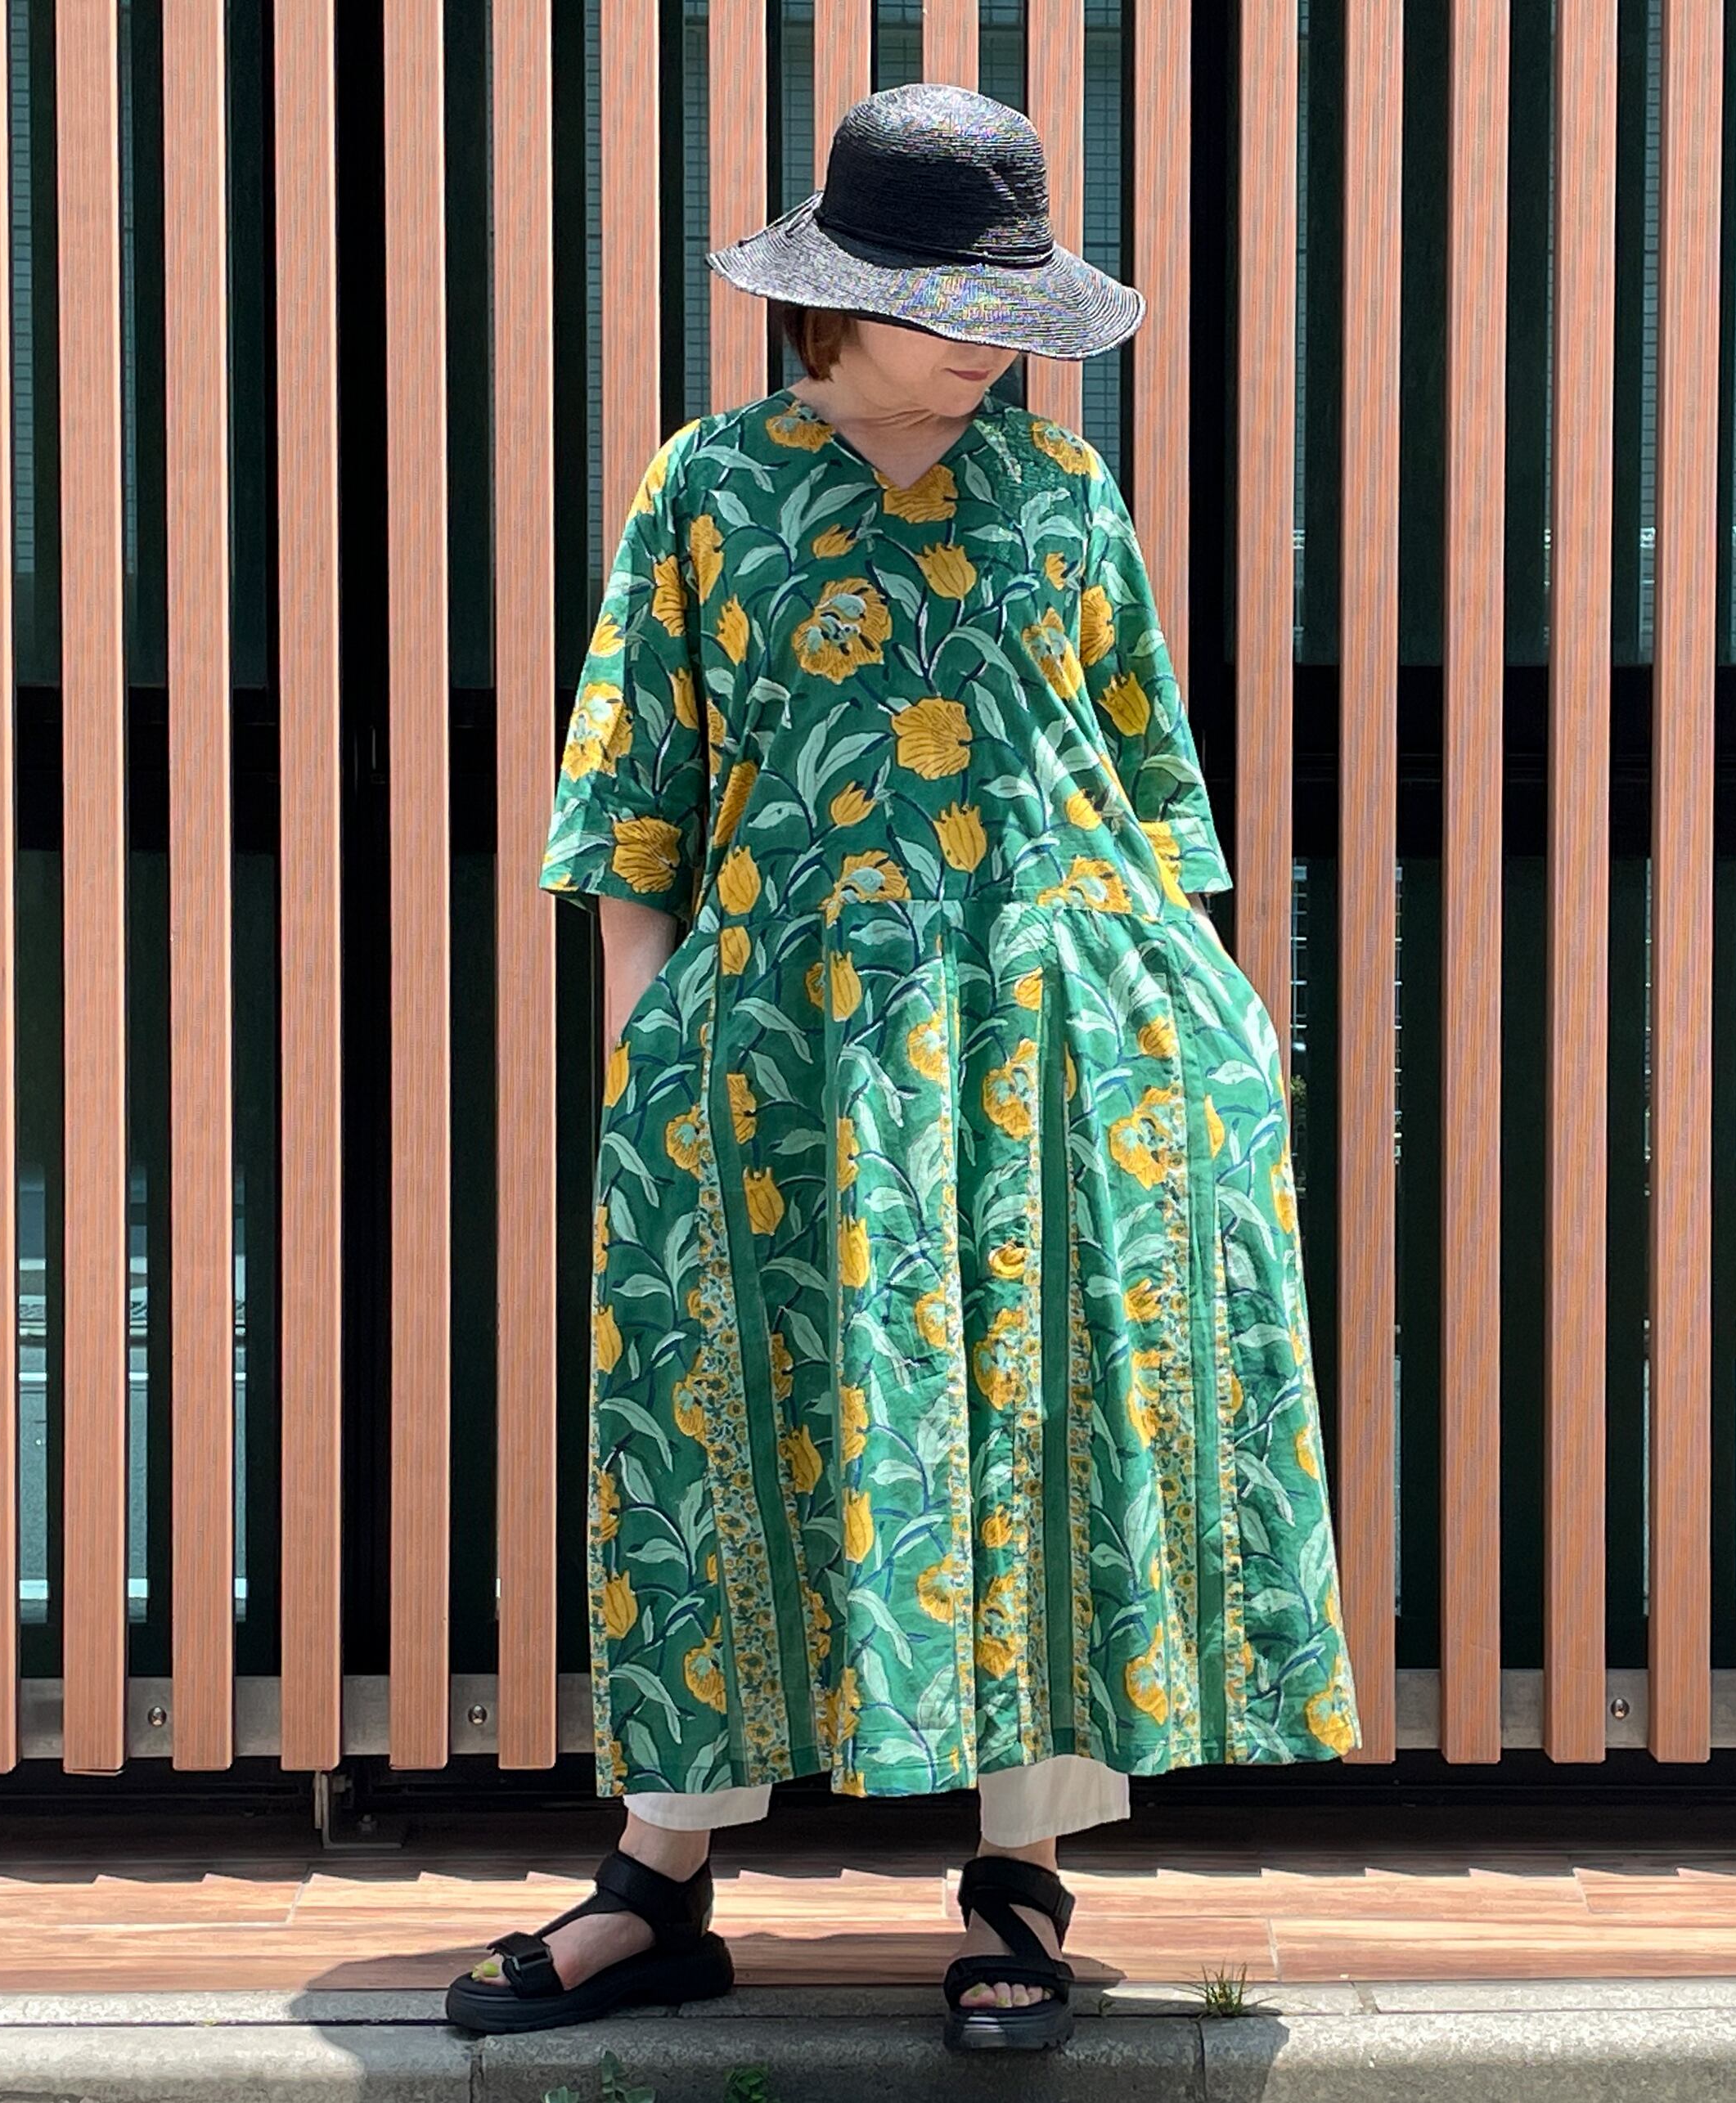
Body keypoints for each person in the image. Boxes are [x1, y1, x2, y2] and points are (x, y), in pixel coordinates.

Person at [447, 81, 1356, 2056]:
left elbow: (1145, 777)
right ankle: (654, 1880)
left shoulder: (1063, 494)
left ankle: (1022, 1872)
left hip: (1057, 1028)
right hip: (784, 1040)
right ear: (833, 294)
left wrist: (1210, 1001)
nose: (986, 342)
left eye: (1010, 305)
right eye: (950, 301)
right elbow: (635, 788)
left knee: (1031, 1429)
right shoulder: (709, 488)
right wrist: (648, 1038)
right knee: (717, 1436)